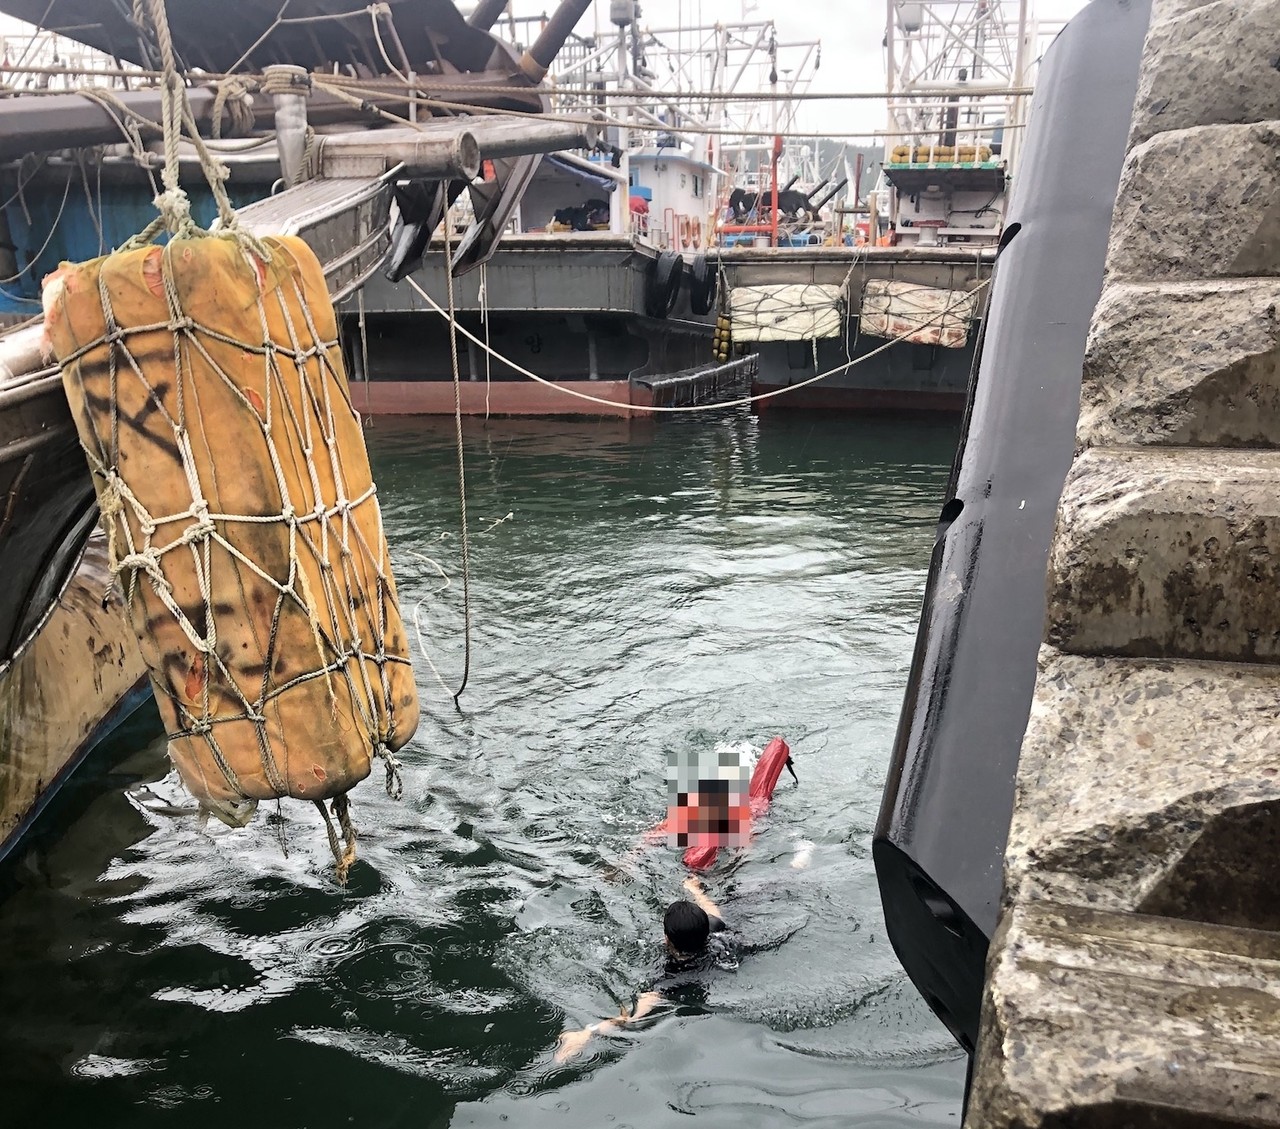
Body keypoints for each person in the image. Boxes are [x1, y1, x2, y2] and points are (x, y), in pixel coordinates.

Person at [554, 876, 727, 1062]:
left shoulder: (670, 978)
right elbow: (712, 910)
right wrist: (695, 890)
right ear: (705, 930)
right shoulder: (717, 934)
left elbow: (633, 1016)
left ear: (666, 938)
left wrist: (587, 1034)